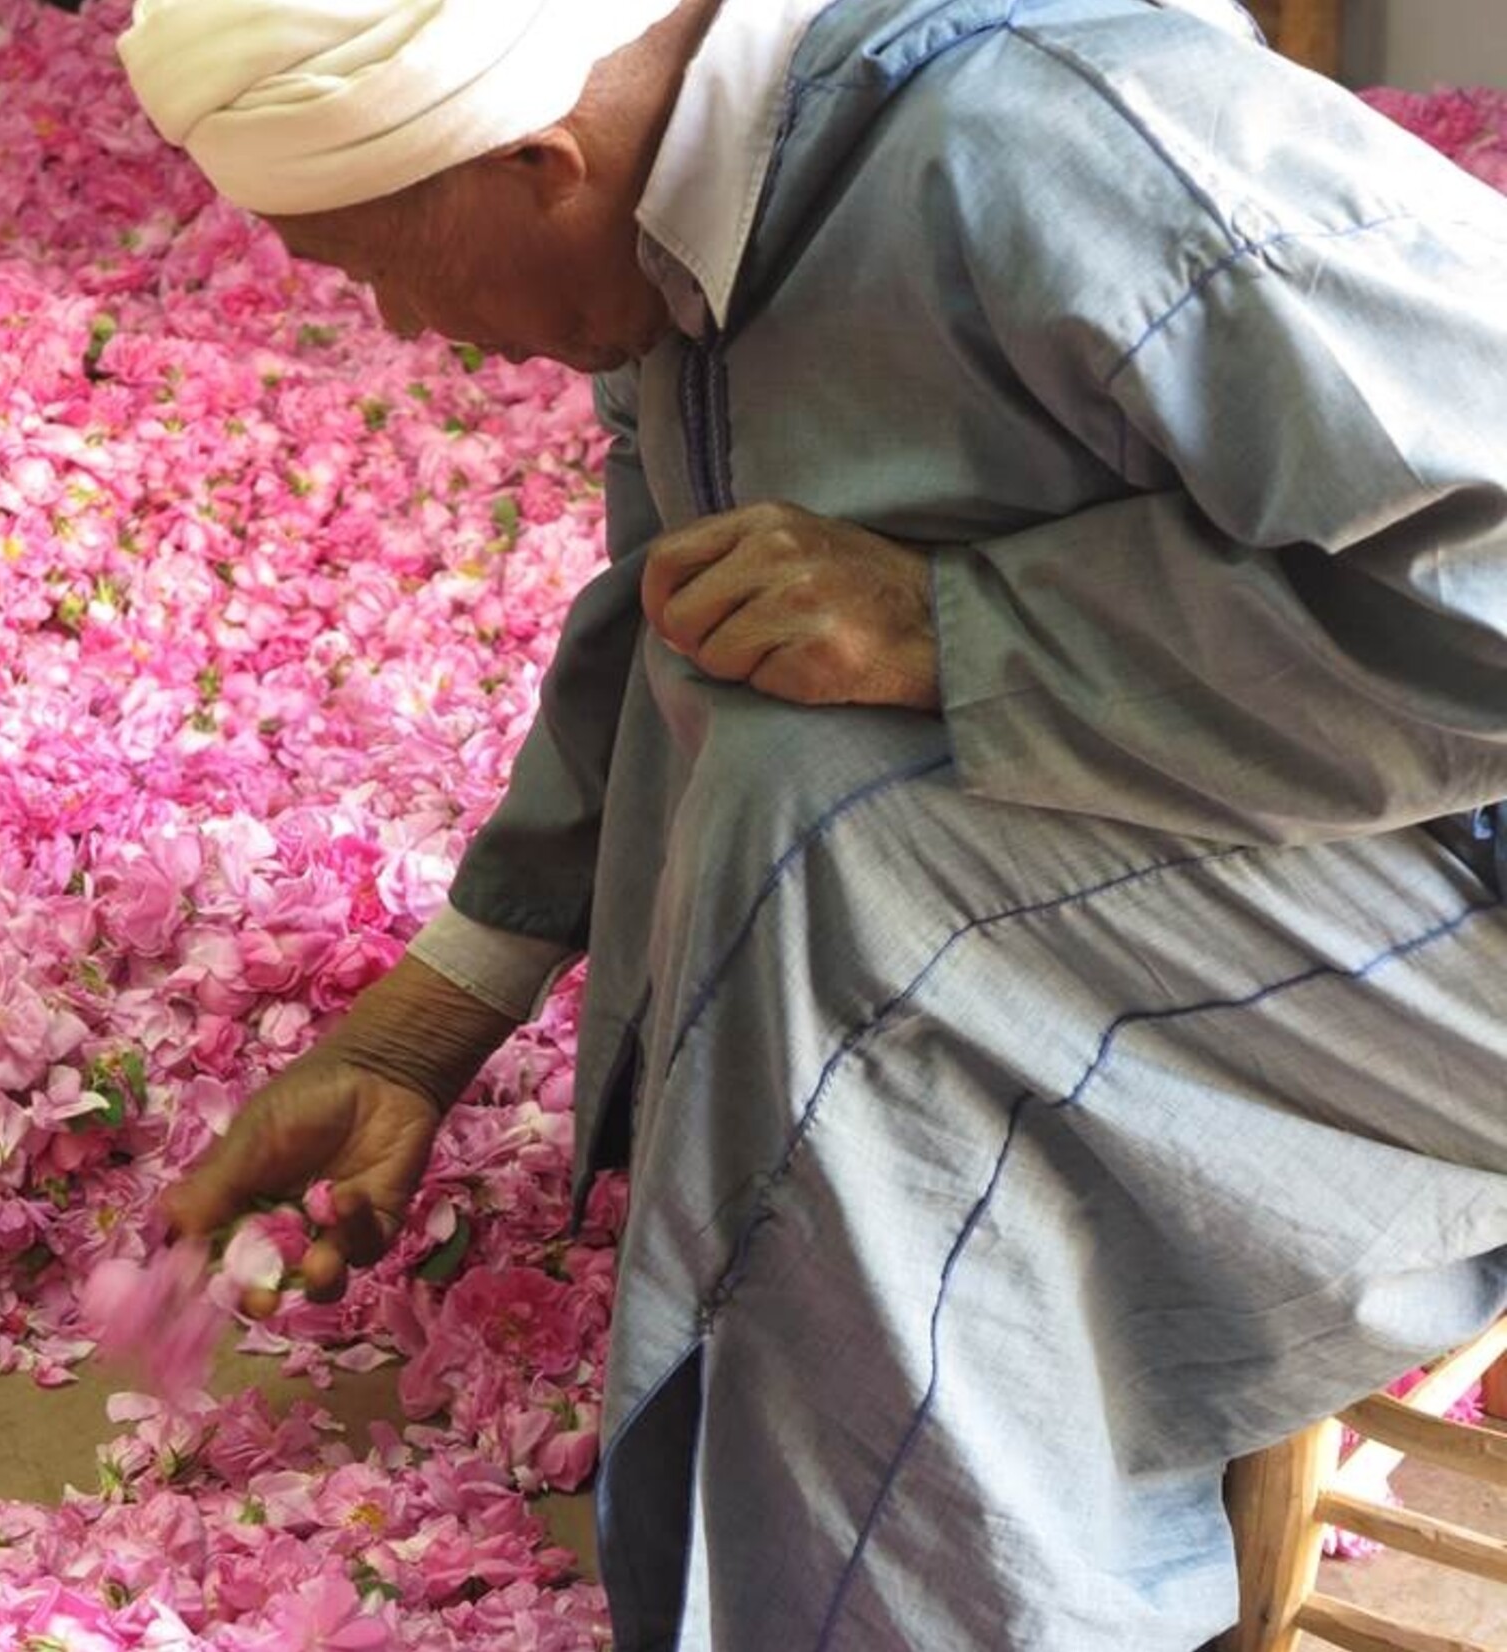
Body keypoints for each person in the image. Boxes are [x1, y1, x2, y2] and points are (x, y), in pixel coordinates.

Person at [118, 2, 1507, 1647]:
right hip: (1300, 902)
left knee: (832, 827)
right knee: (791, 753)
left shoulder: (1060, 142)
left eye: (377, 266)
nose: (409, 324)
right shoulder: (689, 228)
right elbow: (667, 616)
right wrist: (424, 1028)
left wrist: (971, 629)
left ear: (537, 158)